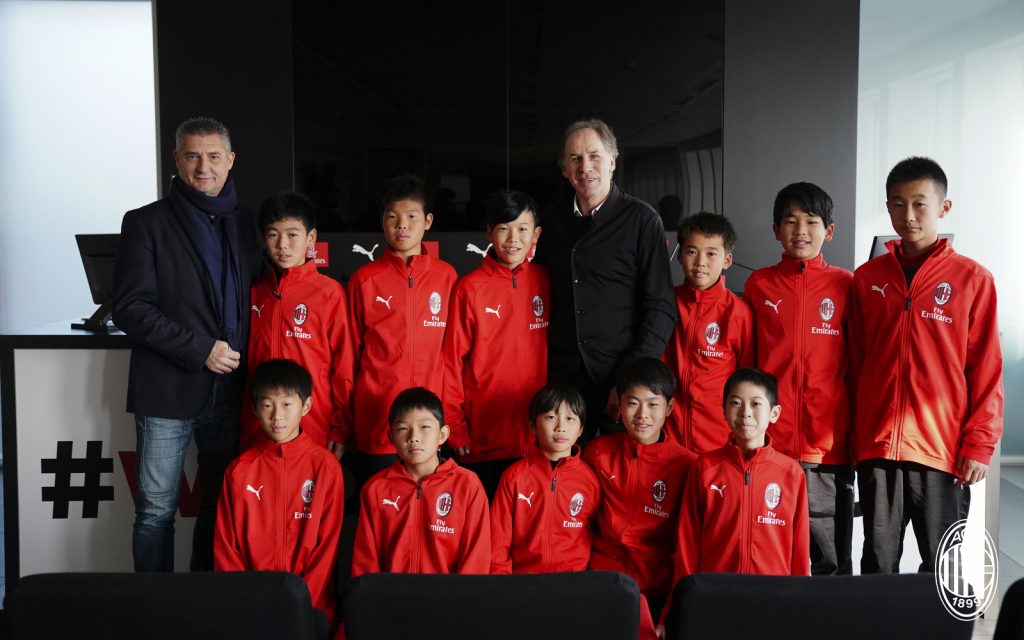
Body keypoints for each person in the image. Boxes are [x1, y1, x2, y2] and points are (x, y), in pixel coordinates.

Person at [112, 116, 263, 571]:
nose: (203, 167)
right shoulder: (145, 222)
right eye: (193, 156)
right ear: (176, 159)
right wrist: (201, 349)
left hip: (234, 390)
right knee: (156, 511)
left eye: (213, 156)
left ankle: (203, 598)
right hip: (169, 387)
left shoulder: (248, 222)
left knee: (220, 504)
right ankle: (155, 605)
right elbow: (131, 308)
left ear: (230, 160)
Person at [850, 157, 1003, 573]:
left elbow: (986, 369)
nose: (909, 215)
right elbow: (854, 364)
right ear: (887, 208)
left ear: (944, 208)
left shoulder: (973, 279)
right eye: (898, 204)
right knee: (878, 563)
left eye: (920, 203)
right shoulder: (867, 279)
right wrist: (853, 437)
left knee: (943, 566)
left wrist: (979, 444)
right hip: (878, 445)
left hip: (941, 448)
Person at [534, 119, 676, 441]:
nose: (585, 167)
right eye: (575, 158)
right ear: (564, 169)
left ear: (612, 161)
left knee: (623, 468)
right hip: (565, 381)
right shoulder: (551, 221)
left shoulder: (642, 220)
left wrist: (630, 380)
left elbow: (661, 308)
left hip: (622, 378)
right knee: (567, 468)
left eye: (594, 156)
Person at [742, 182, 854, 575]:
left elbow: (857, 364)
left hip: (827, 445)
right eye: (790, 221)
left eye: (811, 221)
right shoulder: (759, 284)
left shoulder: (846, 285)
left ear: (829, 231)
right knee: (769, 546)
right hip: (771, 442)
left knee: (829, 555)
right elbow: (749, 363)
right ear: (776, 230)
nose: (801, 231)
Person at [659, 368, 810, 632]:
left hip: (773, 601)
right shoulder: (705, 468)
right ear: (724, 410)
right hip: (714, 597)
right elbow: (687, 545)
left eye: (756, 404)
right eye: (736, 403)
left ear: (774, 413)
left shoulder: (791, 473)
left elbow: (800, 552)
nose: (745, 413)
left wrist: (800, 608)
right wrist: (678, 606)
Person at [214, 359, 344, 626]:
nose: (277, 416)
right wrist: (245, 601)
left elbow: (327, 547)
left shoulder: (325, 466)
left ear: (306, 406)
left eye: (287, 404)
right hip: (251, 607)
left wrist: (301, 602)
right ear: (254, 408)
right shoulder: (240, 470)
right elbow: (226, 548)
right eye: (267, 405)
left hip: (310, 606)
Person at [346, 176, 458, 485]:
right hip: (377, 422)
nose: (402, 225)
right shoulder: (364, 280)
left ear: (428, 221)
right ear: (382, 220)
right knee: (378, 507)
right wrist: (344, 422)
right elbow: (348, 358)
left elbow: (454, 357)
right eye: (393, 217)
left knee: (427, 508)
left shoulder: (446, 278)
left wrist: (451, 417)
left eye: (411, 216)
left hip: (429, 426)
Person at [442, 190, 549, 497]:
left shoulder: (546, 281)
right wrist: (455, 425)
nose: (513, 239)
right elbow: (450, 362)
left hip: (540, 439)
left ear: (536, 234)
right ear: (489, 232)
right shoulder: (469, 288)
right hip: (485, 439)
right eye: (503, 228)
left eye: (523, 229)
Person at [583, 357, 696, 624]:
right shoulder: (597, 454)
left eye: (653, 404)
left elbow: (688, 542)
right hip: (603, 579)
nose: (642, 414)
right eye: (633, 403)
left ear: (669, 408)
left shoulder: (687, 465)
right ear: (619, 404)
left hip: (657, 586)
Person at [241, 191, 355, 456]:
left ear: (310, 238)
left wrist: (340, 426)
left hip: (312, 423)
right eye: (273, 235)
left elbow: (344, 367)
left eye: (292, 234)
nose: (283, 245)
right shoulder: (254, 291)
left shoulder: (329, 293)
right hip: (259, 423)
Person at [350, 387, 490, 576]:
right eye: (403, 429)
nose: (414, 438)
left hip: (449, 595)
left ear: (442, 434)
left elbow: (476, 561)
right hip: (390, 594)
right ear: (391, 437)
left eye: (425, 427)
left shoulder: (467, 485)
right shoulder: (375, 489)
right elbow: (365, 563)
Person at [663, 212, 753, 453]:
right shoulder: (665, 303)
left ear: (727, 260)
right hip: (667, 436)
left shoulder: (739, 313)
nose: (700, 262)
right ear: (679, 256)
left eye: (711, 253)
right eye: (692, 251)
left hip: (719, 440)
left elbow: (747, 381)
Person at [489, 384, 599, 574]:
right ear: (533, 425)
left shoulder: (589, 479)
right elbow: (498, 539)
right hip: (524, 579)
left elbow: (598, 534)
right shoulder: (515, 477)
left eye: (570, 419)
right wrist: (502, 581)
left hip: (574, 580)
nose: (561, 427)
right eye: (551, 417)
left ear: (581, 429)